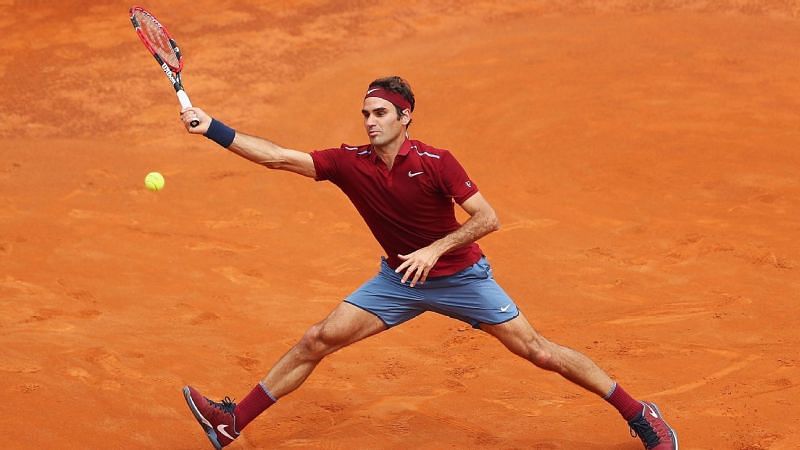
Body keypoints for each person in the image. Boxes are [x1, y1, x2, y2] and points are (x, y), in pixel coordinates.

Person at [179, 76, 678, 450]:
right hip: (397, 281)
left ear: (405, 116)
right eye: (365, 114)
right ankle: (231, 423)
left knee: (538, 352)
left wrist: (436, 248)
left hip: (461, 278)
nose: (369, 121)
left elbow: (488, 218)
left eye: (379, 113)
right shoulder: (350, 162)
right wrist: (213, 129)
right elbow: (277, 157)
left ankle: (638, 413)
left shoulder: (438, 162)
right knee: (317, 339)